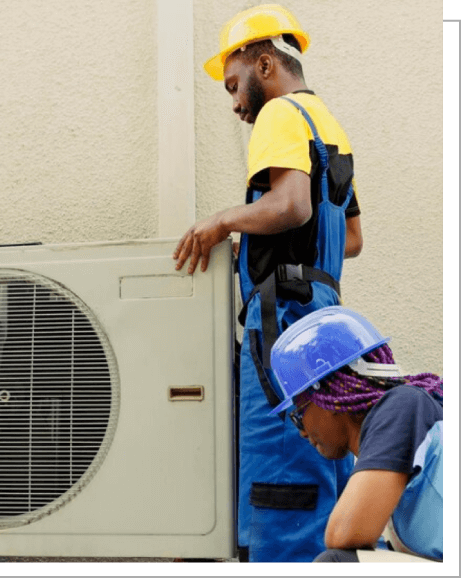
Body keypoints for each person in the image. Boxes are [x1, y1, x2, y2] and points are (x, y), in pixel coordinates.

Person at [173, 4, 363, 563]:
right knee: (322, 466)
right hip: (324, 314)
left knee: (280, 476)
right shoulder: (329, 126)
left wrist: (223, 221)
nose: (234, 102)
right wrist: (258, 243)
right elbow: (348, 238)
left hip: (284, 321)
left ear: (264, 65)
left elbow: (292, 205)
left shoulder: (280, 114)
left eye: (234, 85)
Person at [269, 306, 443, 563]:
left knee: (336, 563)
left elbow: (343, 533)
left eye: (298, 413)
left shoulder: (403, 407)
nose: (303, 432)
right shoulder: (406, 413)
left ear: (330, 394)